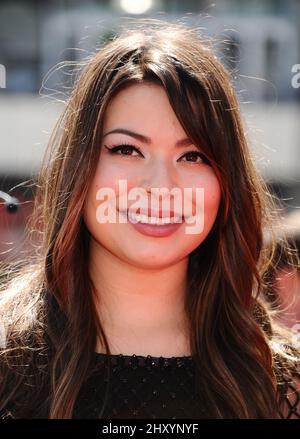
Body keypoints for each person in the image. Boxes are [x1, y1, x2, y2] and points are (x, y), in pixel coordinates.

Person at [0, 18, 299, 419]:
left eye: (193, 156)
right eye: (127, 150)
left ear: (227, 183)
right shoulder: (8, 360)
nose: (161, 186)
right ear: (79, 167)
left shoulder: (281, 383)